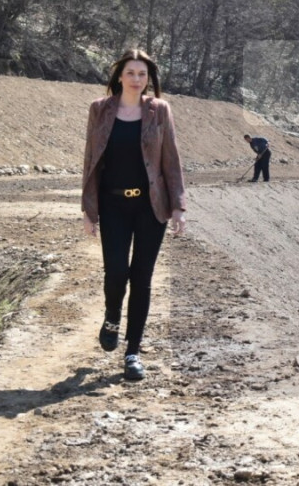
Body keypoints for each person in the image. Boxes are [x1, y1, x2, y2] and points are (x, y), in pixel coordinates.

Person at [81, 48, 186, 381]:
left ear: (149, 78)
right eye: (131, 73)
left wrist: (178, 206)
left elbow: (171, 159)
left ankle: (133, 352)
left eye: (142, 74)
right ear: (120, 75)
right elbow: (91, 160)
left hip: (150, 207)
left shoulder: (159, 110)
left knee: (142, 277)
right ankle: (112, 316)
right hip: (112, 204)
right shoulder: (100, 109)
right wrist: (88, 209)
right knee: (116, 272)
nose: (137, 79)